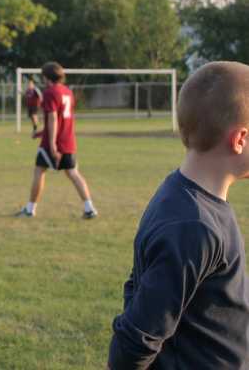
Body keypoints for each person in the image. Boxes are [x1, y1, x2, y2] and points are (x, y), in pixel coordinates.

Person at [107, 61, 249, 369]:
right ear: (240, 139)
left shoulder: (187, 196)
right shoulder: (193, 225)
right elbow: (136, 338)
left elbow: (139, 284)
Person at [16, 62, 97, 219]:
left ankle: (30, 210)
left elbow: (53, 118)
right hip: (68, 140)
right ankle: (89, 208)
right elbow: (62, 119)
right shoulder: (67, 92)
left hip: (52, 143)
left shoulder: (50, 92)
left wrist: (52, 144)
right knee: (73, 173)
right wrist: (41, 132)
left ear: (47, 77)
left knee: (39, 171)